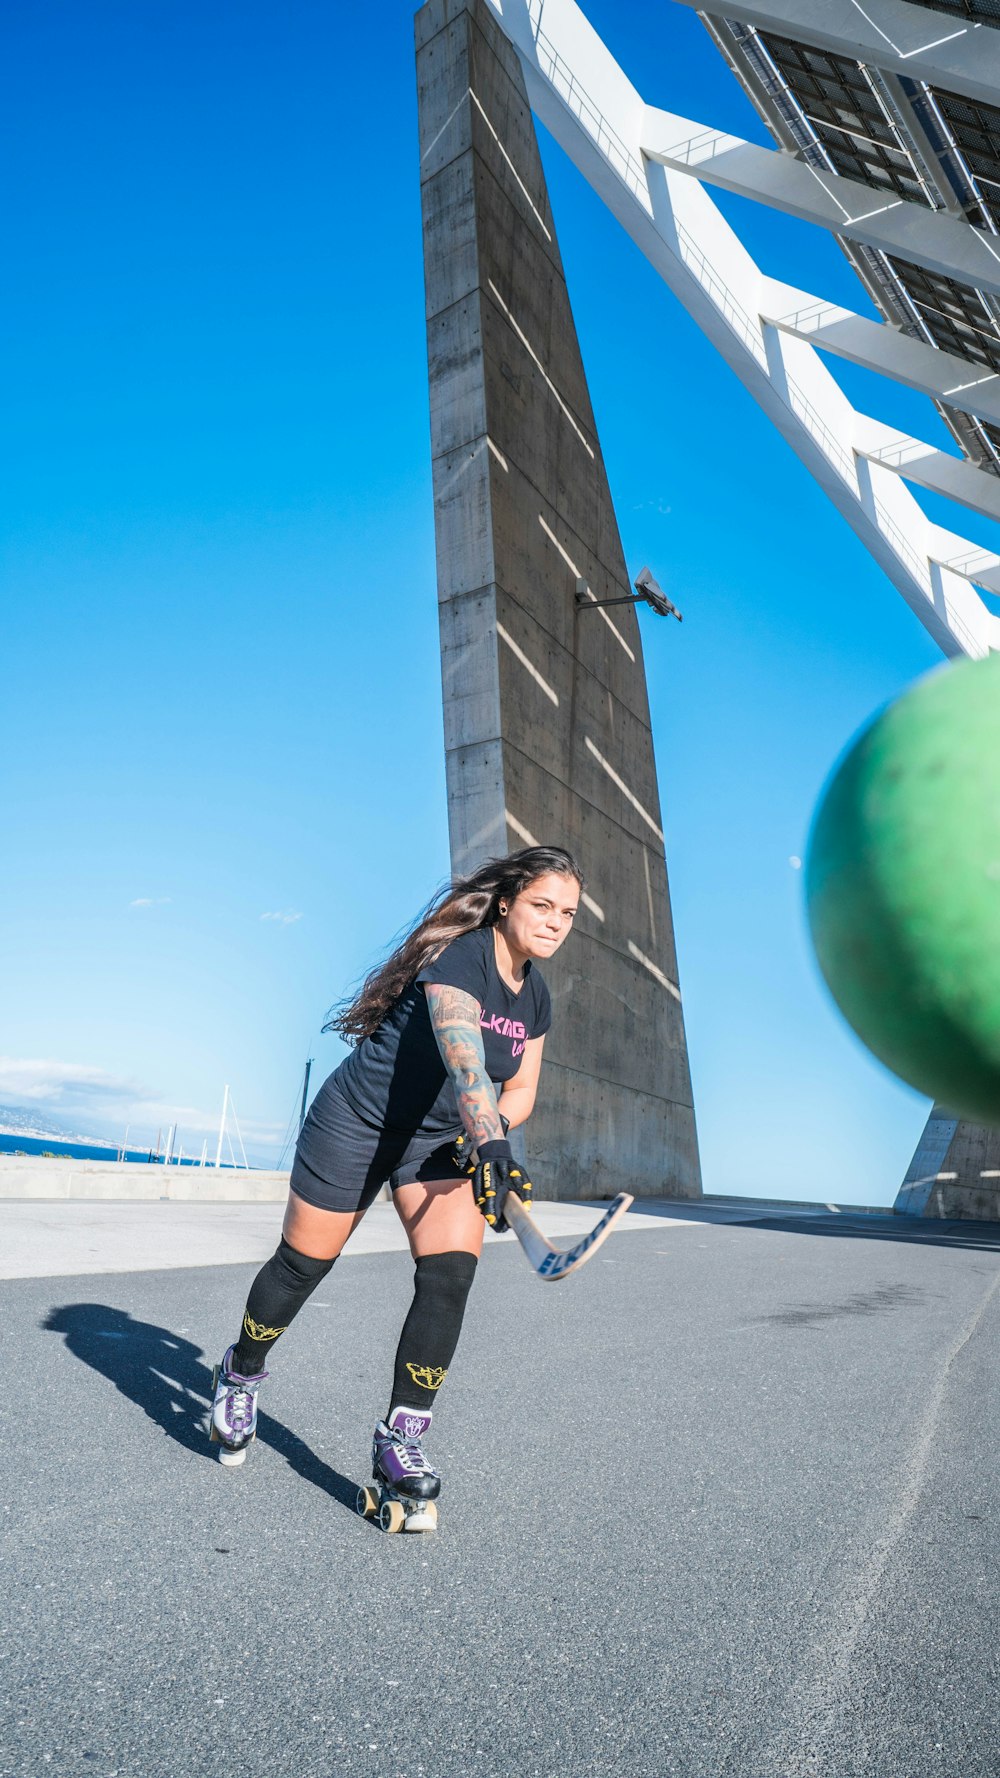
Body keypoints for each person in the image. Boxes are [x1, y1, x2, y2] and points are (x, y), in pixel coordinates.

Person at [209, 844, 582, 1527]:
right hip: (360, 1123)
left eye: (568, 914)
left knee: (450, 1277)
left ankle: (401, 1440)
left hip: (437, 1143)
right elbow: (463, 1052)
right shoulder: (463, 958)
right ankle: (239, 1373)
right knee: (301, 1267)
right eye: (543, 906)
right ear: (507, 903)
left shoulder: (537, 996)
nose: (555, 922)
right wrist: (491, 1137)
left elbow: (520, 1087)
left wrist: (492, 1126)